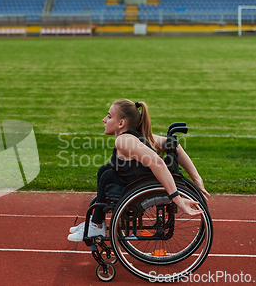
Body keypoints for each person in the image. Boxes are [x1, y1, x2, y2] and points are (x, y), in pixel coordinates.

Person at [67, 99, 209, 242]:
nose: (104, 120)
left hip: (134, 187)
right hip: (135, 182)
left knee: (107, 175)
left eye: (109, 116)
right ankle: (96, 222)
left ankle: (96, 225)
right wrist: (196, 179)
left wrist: (177, 198)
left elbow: (158, 163)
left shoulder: (124, 141)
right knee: (106, 170)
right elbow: (174, 145)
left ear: (121, 123)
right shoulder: (138, 136)